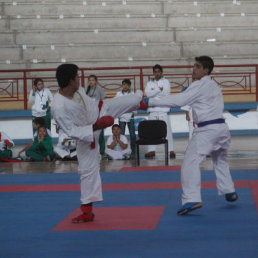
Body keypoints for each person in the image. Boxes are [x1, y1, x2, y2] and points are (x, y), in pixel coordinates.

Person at [52, 63, 146, 223]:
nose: (80, 79)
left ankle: (158, 102)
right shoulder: (58, 106)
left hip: (101, 110)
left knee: (134, 99)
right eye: (77, 77)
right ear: (70, 81)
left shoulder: (77, 89)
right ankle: (87, 211)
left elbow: (90, 103)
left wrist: (101, 118)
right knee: (87, 172)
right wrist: (97, 126)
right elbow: (72, 131)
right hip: (86, 133)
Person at [144, 56, 238, 215]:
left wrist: (150, 102)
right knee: (219, 159)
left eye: (197, 66)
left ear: (206, 70)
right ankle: (229, 190)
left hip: (207, 129)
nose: (193, 69)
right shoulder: (214, 85)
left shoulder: (199, 85)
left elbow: (179, 100)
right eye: (194, 65)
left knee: (189, 163)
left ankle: (191, 198)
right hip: (222, 128)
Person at [144, 64, 176, 159]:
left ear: (161, 72)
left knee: (167, 131)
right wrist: (158, 90)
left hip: (163, 110)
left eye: (159, 71)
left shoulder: (166, 82)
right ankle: (151, 151)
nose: (157, 73)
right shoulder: (149, 83)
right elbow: (147, 94)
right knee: (151, 132)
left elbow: (165, 93)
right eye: (155, 72)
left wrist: (154, 92)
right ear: (153, 73)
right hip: (152, 110)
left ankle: (171, 150)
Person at [86, 75, 106, 156]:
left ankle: (102, 151)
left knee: (100, 133)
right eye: (89, 80)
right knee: (90, 133)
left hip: (98, 114)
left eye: (93, 80)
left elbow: (103, 102)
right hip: (89, 114)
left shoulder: (100, 90)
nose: (91, 82)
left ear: (96, 81)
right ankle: (91, 151)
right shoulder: (86, 90)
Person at [115, 79, 136, 157]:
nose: (125, 86)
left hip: (130, 116)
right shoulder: (118, 94)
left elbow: (135, 105)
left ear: (129, 86)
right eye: (124, 84)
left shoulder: (133, 94)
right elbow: (116, 105)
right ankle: (121, 150)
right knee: (121, 134)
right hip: (122, 116)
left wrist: (133, 113)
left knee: (132, 135)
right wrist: (118, 114)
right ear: (122, 85)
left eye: (127, 85)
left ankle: (133, 150)